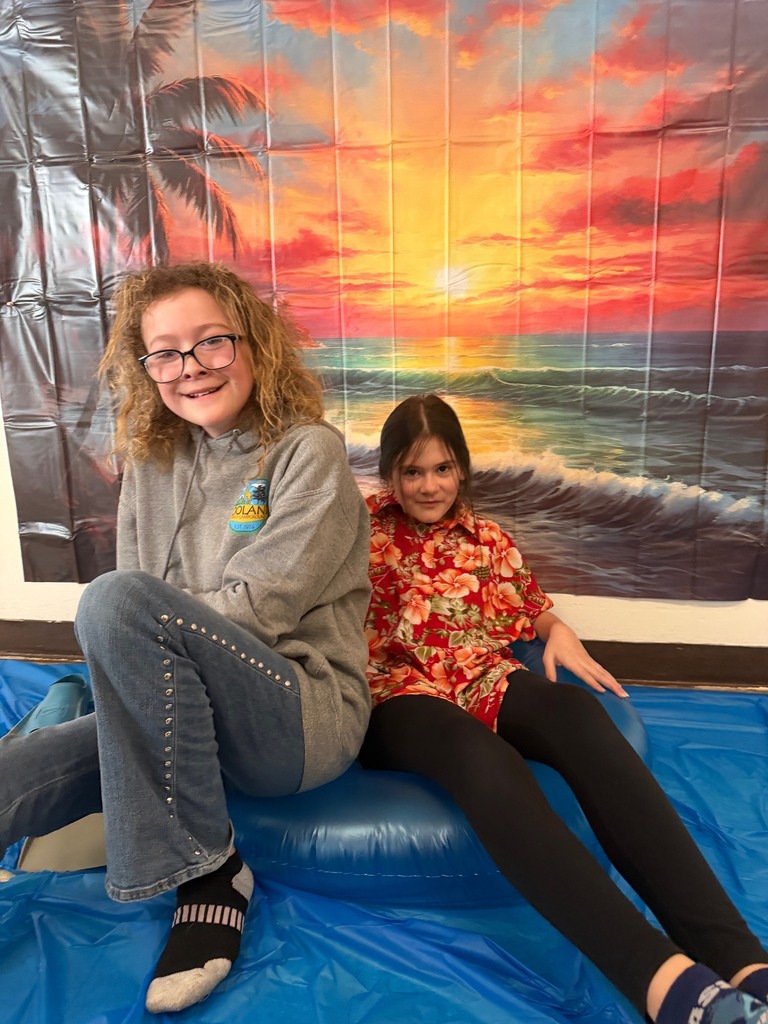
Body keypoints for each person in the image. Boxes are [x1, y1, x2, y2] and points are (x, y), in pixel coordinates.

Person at [0, 262, 372, 1014]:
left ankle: (208, 872)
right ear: (147, 370)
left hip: (297, 713)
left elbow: (256, 610)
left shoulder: (309, 453)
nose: (189, 368)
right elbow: (132, 633)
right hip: (180, 713)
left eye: (210, 343)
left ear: (255, 345)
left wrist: (147, 644)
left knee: (115, 601)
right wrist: (137, 673)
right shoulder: (153, 459)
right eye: (164, 353)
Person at [359, 394, 768, 1024]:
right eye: (412, 472)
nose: (429, 485)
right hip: (398, 692)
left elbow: (530, 605)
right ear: (390, 474)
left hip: (483, 677)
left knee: (576, 716)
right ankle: (662, 981)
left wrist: (557, 630)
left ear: (462, 468)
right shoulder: (361, 530)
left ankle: (742, 960)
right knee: (480, 756)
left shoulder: (488, 539)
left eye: (442, 468)